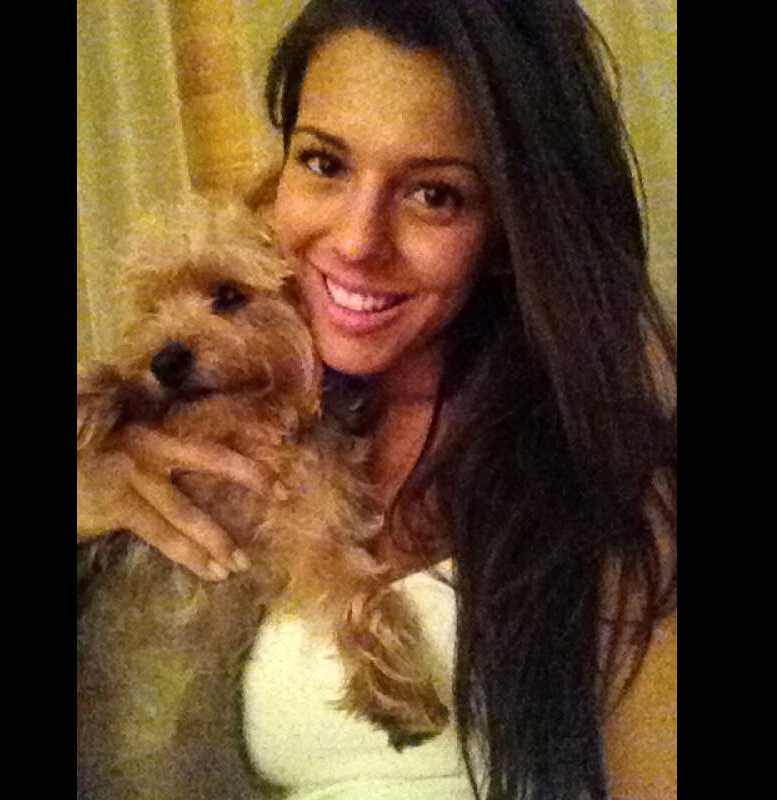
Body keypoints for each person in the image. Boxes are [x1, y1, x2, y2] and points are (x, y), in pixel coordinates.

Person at [77, 1, 677, 798]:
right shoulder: (238, 433)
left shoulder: (609, 470)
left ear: (510, 228)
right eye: (324, 163)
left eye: (434, 194)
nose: (358, 241)